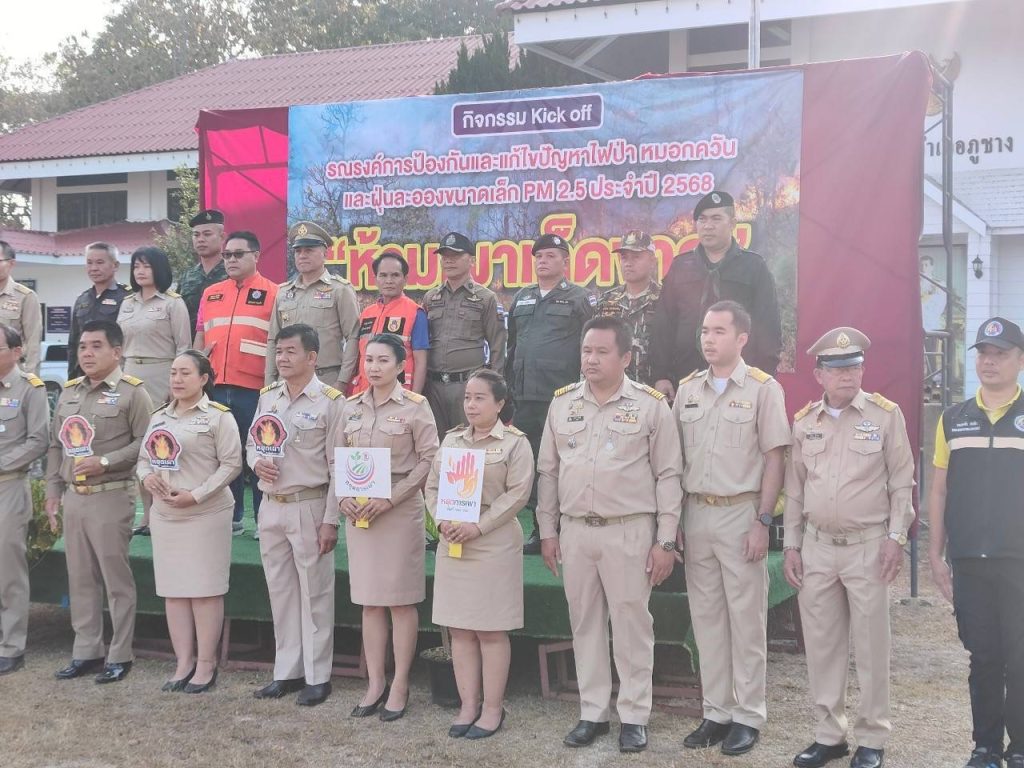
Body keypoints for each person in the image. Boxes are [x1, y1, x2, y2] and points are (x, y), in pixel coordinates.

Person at [537, 316, 682, 754]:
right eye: (587, 351)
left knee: (632, 625)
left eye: (602, 352)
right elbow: (549, 472)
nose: (591, 359)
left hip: (628, 530)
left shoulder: (651, 406)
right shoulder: (562, 403)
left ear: (626, 357)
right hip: (576, 531)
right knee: (584, 624)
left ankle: (634, 715)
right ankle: (593, 711)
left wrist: (666, 540)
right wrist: (547, 530)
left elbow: (669, 475)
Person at [784, 327, 915, 768]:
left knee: (872, 646)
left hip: (867, 546)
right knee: (822, 645)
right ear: (819, 375)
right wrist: (791, 545)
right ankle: (829, 736)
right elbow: (795, 490)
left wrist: (896, 537)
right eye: (837, 369)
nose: (847, 375)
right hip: (818, 547)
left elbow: (902, 483)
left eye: (854, 367)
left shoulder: (885, 416)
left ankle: (872, 737)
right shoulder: (805, 422)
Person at [673, 300, 790, 756]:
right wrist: (675, 520)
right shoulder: (688, 389)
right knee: (706, 620)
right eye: (705, 330)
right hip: (696, 514)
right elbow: (675, 461)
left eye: (719, 331)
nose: (708, 339)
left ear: (742, 338)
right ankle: (716, 712)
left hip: (742, 513)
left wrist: (764, 521)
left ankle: (748, 715)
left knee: (746, 620)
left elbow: (775, 458)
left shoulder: (763, 389)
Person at [929, 317, 1024, 768]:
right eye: (983, 353)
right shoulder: (953, 419)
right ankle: (984, 747)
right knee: (982, 657)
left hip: (1019, 562)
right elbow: (939, 489)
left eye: (1000, 353)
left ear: (1020, 361)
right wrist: (935, 555)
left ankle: (1019, 747)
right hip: (969, 560)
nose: (989, 361)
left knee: (1020, 659)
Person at [332, 333, 438, 721]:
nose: (373, 367)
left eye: (382, 361)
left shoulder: (415, 406)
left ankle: (400, 684)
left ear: (401, 365)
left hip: (397, 511)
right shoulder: (349, 407)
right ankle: (375, 683)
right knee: (370, 601)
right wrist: (343, 496)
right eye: (369, 360)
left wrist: (392, 498)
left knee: (400, 601)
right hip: (360, 511)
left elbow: (429, 459)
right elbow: (337, 457)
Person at [426, 369, 534, 740]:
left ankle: (492, 708)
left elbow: (517, 495)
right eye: (467, 397)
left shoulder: (515, 444)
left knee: (490, 629)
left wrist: (479, 526)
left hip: (493, 542)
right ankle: (467, 705)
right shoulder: (452, 439)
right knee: (459, 628)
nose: (470, 405)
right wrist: (442, 521)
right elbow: (432, 486)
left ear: (500, 403)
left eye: (480, 398)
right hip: (454, 539)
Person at [45, 320, 153, 683]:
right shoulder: (69, 392)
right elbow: (55, 445)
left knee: (115, 579)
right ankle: (86, 651)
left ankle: (120, 654)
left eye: (96, 346)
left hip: (111, 495)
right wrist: (52, 491)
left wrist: (105, 461)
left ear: (117, 351)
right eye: (82, 347)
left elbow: (145, 443)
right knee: (80, 578)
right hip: (74, 497)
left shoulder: (133, 393)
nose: (87, 353)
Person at [249, 324, 345, 707]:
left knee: (315, 593)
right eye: (279, 351)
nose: (283, 358)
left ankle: (318, 676)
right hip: (271, 503)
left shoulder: (330, 401)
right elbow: (252, 443)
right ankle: (287, 671)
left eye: (291, 351)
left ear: (312, 357)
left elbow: (338, 465)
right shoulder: (268, 396)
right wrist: (256, 463)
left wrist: (331, 519)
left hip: (309, 503)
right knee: (281, 592)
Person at [136, 350, 241, 694]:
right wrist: (148, 477)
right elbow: (144, 459)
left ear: (204, 379)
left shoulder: (218, 417)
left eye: (185, 373)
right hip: (166, 514)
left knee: (205, 590)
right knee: (174, 591)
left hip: (206, 513)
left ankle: (206, 664)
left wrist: (196, 495)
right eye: (173, 373)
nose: (177, 380)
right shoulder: (159, 417)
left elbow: (232, 464)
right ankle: (183, 662)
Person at [506, 232, 595, 553]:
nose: (543, 261)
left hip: (561, 395)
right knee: (531, 463)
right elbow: (512, 346)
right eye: (539, 257)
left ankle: (566, 525)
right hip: (524, 396)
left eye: (551, 256)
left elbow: (591, 346)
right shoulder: (522, 297)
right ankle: (539, 528)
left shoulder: (579, 298)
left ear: (565, 261)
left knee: (563, 463)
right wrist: (507, 388)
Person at [650, 191, 782, 398]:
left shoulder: (753, 267)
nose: (708, 226)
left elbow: (768, 326)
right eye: (702, 219)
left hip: (740, 380)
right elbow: (663, 324)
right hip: (685, 378)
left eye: (716, 219)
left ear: (732, 223)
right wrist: (661, 375)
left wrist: (762, 378)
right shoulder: (681, 266)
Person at [194, 230, 278, 536]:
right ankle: (231, 517)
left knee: (259, 453)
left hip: (256, 387)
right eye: (227, 255)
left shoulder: (275, 293)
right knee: (224, 456)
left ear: (255, 256)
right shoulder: (211, 293)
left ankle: (263, 519)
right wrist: (196, 373)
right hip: (216, 386)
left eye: (238, 254)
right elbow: (200, 336)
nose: (230, 260)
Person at [0, 324, 49, 675]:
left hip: (9, 486)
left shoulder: (30, 388)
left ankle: (11, 646)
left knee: (8, 570)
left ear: (17, 351)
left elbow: (38, 440)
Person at [422, 231, 506, 435]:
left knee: (469, 443)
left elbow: (497, 346)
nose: (449, 261)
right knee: (434, 444)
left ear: (472, 261)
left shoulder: (485, 298)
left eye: (456, 255)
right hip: (433, 387)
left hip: (468, 388)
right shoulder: (431, 297)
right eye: (445, 256)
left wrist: (494, 388)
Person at [266, 221, 360, 391]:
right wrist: (270, 382)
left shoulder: (340, 289)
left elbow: (353, 337)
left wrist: (342, 381)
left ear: (325, 254)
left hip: (325, 379)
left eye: (309, 250)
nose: (302, 255)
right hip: (286, 382)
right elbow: (273, 339)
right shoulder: (283, 292)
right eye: (298, 251)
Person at [117, 247, 191, 407]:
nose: (140, 271)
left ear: (159, 268)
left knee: (158, 420)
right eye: (136, 267)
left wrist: (177, 382)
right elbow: (119, 345)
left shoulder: (173, 303)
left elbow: (183, 348)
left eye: (147, 266)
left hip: (161, 376)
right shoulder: (127, 303)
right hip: (129, 373)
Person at [350, 251, 429, 396]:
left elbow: (421, 362)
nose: (389, 281)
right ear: (375, 279)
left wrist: (415, 400)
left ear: (405, 279)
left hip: (398, 395)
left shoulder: (415, 313)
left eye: (395, 275)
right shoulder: (367, 313)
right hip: (364, 393)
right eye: (383, 275)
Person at [595, 230, 662, 386]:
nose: (628, 263)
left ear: (652, 261)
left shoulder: (665, 299)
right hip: (612, 388)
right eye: (624, 257)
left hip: (652, 390)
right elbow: (593, 345)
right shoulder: (607, 300)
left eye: (636, 257)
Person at [68, 242, 132, 379]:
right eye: (89, 263)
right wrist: (71, 378)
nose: (94, 268)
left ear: (115, 265)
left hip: (114, 372)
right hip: (84, 373)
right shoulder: (82, 299)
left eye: (100, 262)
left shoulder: (128, 297)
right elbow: (73, 342)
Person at [178, 209, 228, 340]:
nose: (200, 239)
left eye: (207, 234)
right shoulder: (187, 277)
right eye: (196, 235)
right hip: (191, 346)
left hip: (223, 344)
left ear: (222, 237)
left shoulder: (233, 273)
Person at [0, 240, 41, 374]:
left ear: (11, 263)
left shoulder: (25, 297)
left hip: (12, 375)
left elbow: (33, 343)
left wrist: (31, 379)